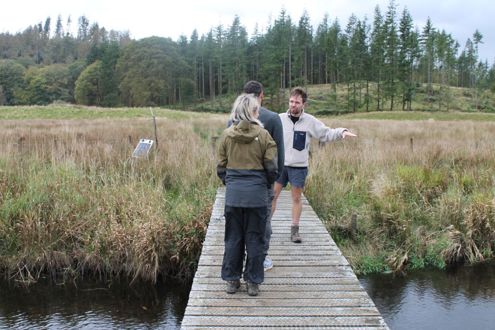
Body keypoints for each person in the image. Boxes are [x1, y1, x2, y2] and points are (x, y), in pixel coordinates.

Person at [272, 87, 357, 243]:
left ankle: (294, 231)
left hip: (299, 167)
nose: (293, 105)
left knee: (296, 198)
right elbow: (266, 135)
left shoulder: (310, 121)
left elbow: (326, 133)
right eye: (291, 101)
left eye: (297, 102)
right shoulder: (279, 119)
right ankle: (265, 227)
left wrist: (341, 132)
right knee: (272, 196)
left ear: (304, 104)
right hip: (280, 166)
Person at [217, 93, 278, 296]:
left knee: (233, 238)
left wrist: (232, 183)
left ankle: (232, 281)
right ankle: (253, 282)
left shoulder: (226, 135)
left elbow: (221, 168)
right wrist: (262, 185)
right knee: (255, 239)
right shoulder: (264, 135)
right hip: (257, 197)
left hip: (234, 196)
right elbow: (272, 168)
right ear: (252, 112)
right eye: (256, 108)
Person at [242, 80, 284, 272]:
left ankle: (243, 255)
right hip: (262, 181)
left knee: (241, 221)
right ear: (262, 95)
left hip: (238, 182)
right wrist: (273, 180)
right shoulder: (273, 118)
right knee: (263, 220)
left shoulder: (232, 119)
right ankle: (262, 258)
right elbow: (279, 157)